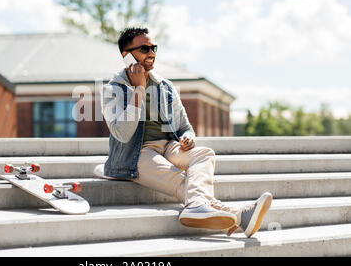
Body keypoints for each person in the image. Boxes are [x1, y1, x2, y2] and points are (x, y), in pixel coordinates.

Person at [97, 27, 272, 237]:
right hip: (135, 154)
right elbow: (122, 134)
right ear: (127, 55)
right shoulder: (112, 89)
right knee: (183, 180)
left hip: (170, 147)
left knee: (205, 154)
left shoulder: (166, 86)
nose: (151, 52)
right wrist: (139, 90)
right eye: (145, 48)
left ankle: (199, 208)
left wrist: (188, 137)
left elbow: (184, 126)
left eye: (153, 47)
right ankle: (237, 215)